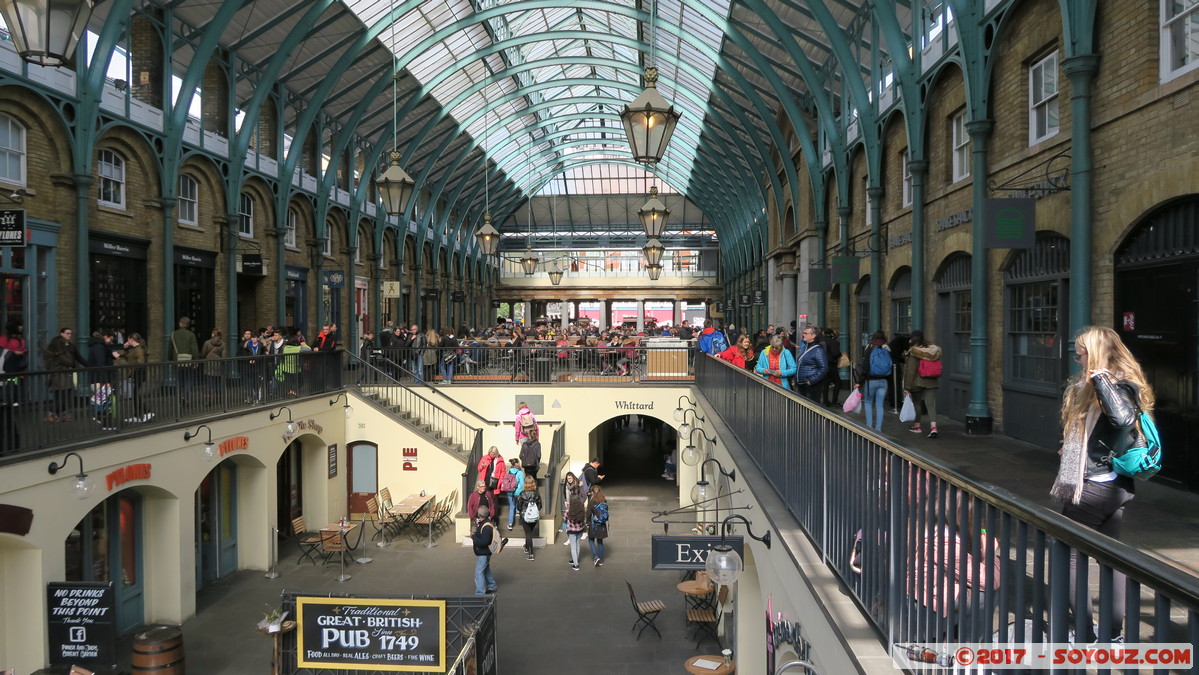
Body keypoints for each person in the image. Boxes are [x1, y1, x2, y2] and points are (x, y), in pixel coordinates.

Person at [1052, 325, 1154, 642]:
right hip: (1114, 485)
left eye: (1081, 354)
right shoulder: (1121, 381)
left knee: (1067, 557)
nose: (1077, 359)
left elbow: (1122, 420)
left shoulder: (1110, 383)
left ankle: (1084, 634)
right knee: (1110, 558)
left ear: (1094, 355)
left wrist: (1100, 380)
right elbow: (1108, 431)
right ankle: (1111, 634)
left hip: (1094, 486)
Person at [903, 330, 942, 438]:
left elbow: (911, 371)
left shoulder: (914, 351)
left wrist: (907, 387)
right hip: (932, 380)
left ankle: (917, 426)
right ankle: (933, 428)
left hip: (917, 381)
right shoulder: (932, 350)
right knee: (930, 404)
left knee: (917, 404)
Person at [854, 330, 892, 432]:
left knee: (868, 402)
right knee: (880, 405)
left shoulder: (870, 349)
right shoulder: (887, 350)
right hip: (884, 381)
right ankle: (878, 428)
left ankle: (869, 425)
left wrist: (860, 382)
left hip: (871, 380)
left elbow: (865, 367)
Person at [117, 333, 153, 423]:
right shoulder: (134, 349)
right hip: (135, 374)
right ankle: (137, 415)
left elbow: (141, 362)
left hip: (138, 374)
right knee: (135, 394)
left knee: (136, 394)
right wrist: (125, 348)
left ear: (131, 340)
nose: (127, 341)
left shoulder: (138, 349)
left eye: (128, 340)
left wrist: (133, 370)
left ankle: (147, 412)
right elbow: (128, 357)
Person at [470, 504, 502, 595]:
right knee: (486, 569)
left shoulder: (486, 526)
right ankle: (492, 585)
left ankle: (480, 592)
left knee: (479, 572)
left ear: (479, 515)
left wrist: (473, 537)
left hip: (483, 553)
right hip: (485, 553)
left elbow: (484, 542)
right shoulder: (487, 523)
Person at [169, 316, 200, 401]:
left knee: (178, 380)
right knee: (189, 379)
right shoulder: (191, 335)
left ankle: (180, 396)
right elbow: (194, 349)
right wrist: (196, 360)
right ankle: (184, 395)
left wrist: (170, 359)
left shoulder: (173, 335)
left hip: (177, 361)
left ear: (180, 323)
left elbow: (170, 349)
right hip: (188, 361)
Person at [794, 326, 828, 402]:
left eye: (806, 333)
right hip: (802, 384)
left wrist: (811, 380)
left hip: (811, 386)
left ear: (813, 335)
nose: (803, 335)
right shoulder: (806, 348)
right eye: (803, 333)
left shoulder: (818, 350)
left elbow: (823, 368)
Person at [514, 476, 541, 561]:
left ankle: (531, 553)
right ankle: (526, 546)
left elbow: (518, 506)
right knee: (529, 532)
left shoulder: (522, 494)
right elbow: (540, 506)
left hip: (524, 516)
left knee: (528, 533)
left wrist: (524, 511)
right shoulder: (536, 493)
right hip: (534, 516)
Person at [477, 446, 505, 517]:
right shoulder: (485, 458)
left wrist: (501, 481)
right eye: (491, 453)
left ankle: (494, 516)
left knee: (495, 499)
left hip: (495, 482)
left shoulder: (500, 460)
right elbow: (479, 468)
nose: (492, 455)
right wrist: (482, 466)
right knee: (485, 498)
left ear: (496, 453)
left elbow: (503, 471)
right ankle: (485, 514)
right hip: (485, 481)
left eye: (493, 454)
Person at [587, 485, 609, 566]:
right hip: (602, 525)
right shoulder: (604, 500)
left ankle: (596, 557)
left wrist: (587, 522)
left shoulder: (592, 502)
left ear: (592, 492)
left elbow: (588, 514)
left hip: (594, 525)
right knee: (600, 541)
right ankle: (601, 559)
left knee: (591, 540)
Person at [565, 486, 586, 571]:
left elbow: (565, 518)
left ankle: (576, 564)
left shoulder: (569, 510)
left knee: (573, 547)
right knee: (577, 544)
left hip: (571, 530)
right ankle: (575, 559)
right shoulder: (582, 509)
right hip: (580, 529)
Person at [821, 327, 843, 406]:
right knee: (838, 382)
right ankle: (834, 401)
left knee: (826, 383)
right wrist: (839, 355)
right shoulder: (832, 341)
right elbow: (835, 353)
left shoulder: (821, 341)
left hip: (823, 364)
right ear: (831, 334)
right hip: (831, 364)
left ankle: (825, 400)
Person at [502, 458, 526, 531]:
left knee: (512, 507)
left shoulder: (509, 471)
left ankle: (510, 523)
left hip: (510, 492)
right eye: (519, 462)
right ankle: (518, 513)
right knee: (520, 505)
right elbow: (522, 484)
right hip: (518, 492)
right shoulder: (520, 473)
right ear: (517, 463)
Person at [201, 328, 225, 396]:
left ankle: (208, 399)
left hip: (208, 365)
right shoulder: (223, 344)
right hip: (218, 366)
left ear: (213, 334)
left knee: (208, 384)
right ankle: (218, 398)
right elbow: (224, 356)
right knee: (218, 383)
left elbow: (203, 354)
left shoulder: (207, 343)